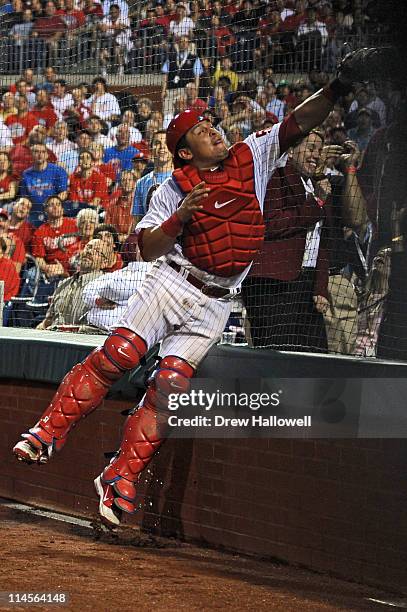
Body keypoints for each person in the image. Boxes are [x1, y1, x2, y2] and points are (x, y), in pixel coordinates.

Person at [12, 48, 377, 527]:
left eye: (212, 123)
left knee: (169, 389)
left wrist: (338, 88)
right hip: (172, 282)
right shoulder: (173, 187)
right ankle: (48, 431)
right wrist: (181, 218)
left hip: (216, 303)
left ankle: (120, 476)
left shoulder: (253, 156)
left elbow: (295, 123)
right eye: (202, 130)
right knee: (119, 354)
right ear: (185, 150)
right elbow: (146, 248)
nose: (214, 130)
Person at [36, 238, 112, 330]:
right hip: (53, 338)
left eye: (97, 251)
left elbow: (104, 327)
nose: (90, 252)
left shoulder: (106, 286)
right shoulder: (63, 284)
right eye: (88, 247)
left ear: (104, 263)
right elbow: (48, 320)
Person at [20, 142, 68, 227]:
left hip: (53, 213)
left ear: (47, 155)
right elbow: (25, 197)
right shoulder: (25, 174)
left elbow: (64, 193)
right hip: (33, 214)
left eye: (43, 152)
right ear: (31, 155)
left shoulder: (57, 171)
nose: (40, 154)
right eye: (36, 152)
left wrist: (50, 204)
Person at [132, 130, 173, 224]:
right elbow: (137, 222)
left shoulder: (182, 178)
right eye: (157, 143)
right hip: (150, 235)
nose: (162, 147)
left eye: (166, 143)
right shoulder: (141, 183)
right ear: (151, 150)